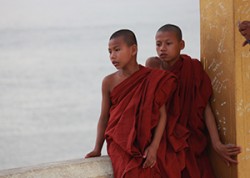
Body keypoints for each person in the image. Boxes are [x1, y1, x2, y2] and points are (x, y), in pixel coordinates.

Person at [146, 24, 241, 178]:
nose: (162, 48)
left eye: (168, 43)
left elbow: (204, 107)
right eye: (158, 44)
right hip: (164, 140)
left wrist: (216, 144)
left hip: (192, 140)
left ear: (181, 45)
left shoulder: (193, 68)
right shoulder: (153, 65)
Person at [85, 29, 178, 177]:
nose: (112, 56)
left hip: (145, 143)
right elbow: (104, 117)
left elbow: (162, 115)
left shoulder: (150, 78)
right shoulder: (109, 82)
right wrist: (97, 148)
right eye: (109, 52)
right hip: (119, 144)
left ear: (133, 49)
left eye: (117, 50)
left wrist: (154, 147)